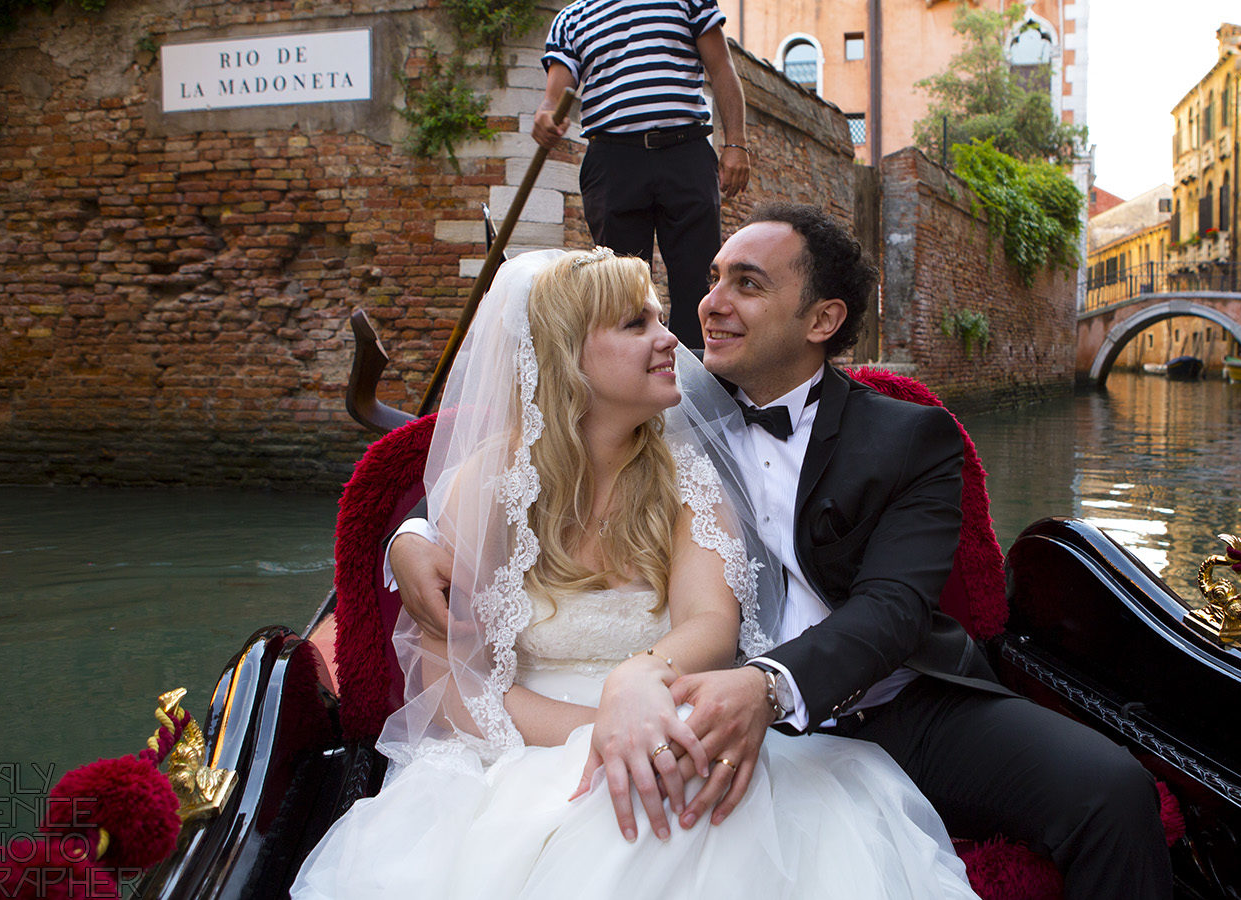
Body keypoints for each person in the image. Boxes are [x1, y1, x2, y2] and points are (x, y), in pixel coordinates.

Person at [391, 207, 1175, 899]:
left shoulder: (909, 437)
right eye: (712, 278)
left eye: (747, 284)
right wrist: (414, 534)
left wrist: (766, 688)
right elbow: (527, 440)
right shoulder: (669, 410)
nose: (709, 305)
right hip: (696, 709)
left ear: (821, 318)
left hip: (883, 703)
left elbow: (893, 610)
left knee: (1110, 790)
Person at [293, 248, 980, 899]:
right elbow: (453, 678)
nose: (668, 340)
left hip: (672, 719)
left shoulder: (687, 475)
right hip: (519, 749)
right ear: (568, 358)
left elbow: (712, 622)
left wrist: (642, 695)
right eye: (636, 323)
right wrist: (601, 731)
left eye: (658, 316)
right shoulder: (490, 482)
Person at [532, 0, 751, 349]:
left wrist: (736, 144)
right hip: (613, 162)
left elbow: (722, 67)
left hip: (686, 152)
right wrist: (546, 112)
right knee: (621, 287)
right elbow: (552, 98)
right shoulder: (571, 19)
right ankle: (634, 387)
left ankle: (699, 389)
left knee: (698, 281)